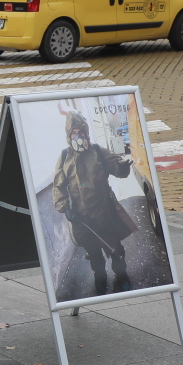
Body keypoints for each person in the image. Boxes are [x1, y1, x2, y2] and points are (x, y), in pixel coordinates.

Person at [50, 111, 140, 293]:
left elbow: (117, 169)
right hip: (82, 218)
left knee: (116, 250)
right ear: (69, 136)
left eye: (80, 132)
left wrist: (122, 167)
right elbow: (58, 185)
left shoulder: (98, 151)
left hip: (105, 212)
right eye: (74, 133)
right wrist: (64, 207)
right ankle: (100, 279)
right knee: (94, 254)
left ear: (86, 133)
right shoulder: (64, 156)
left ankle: (122, 276)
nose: (78, 136)